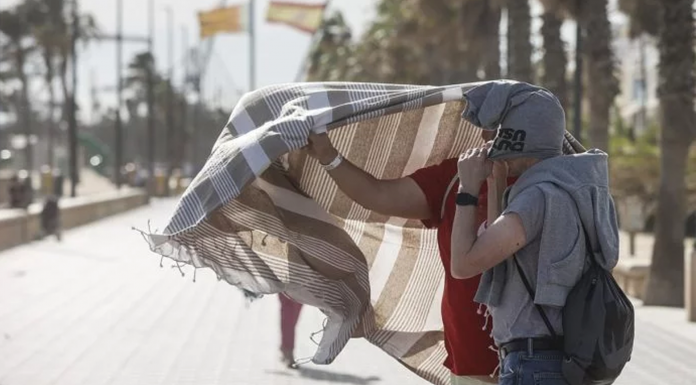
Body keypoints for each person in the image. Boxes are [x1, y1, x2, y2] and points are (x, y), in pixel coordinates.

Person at [305, 128, 515, 384]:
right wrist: (329, 155)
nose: (489, 132)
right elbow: (379, 195)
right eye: (488, 123)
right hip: (472, 362)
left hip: (543, 359)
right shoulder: (460, 174)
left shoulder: (554, 180)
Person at [449, 81, 618, 385]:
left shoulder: (538, 196)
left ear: (518, 136)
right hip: (562, 361)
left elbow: (464, 264)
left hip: (535, 364)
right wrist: (497, 181)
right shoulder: (576, 189)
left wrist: (467, 190)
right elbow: (499, 255)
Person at [279, 293, 303, 368]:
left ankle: (285, 346)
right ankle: (289, 351)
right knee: (288, 313)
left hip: (303, 285)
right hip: (285, 283)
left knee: (293, 313)